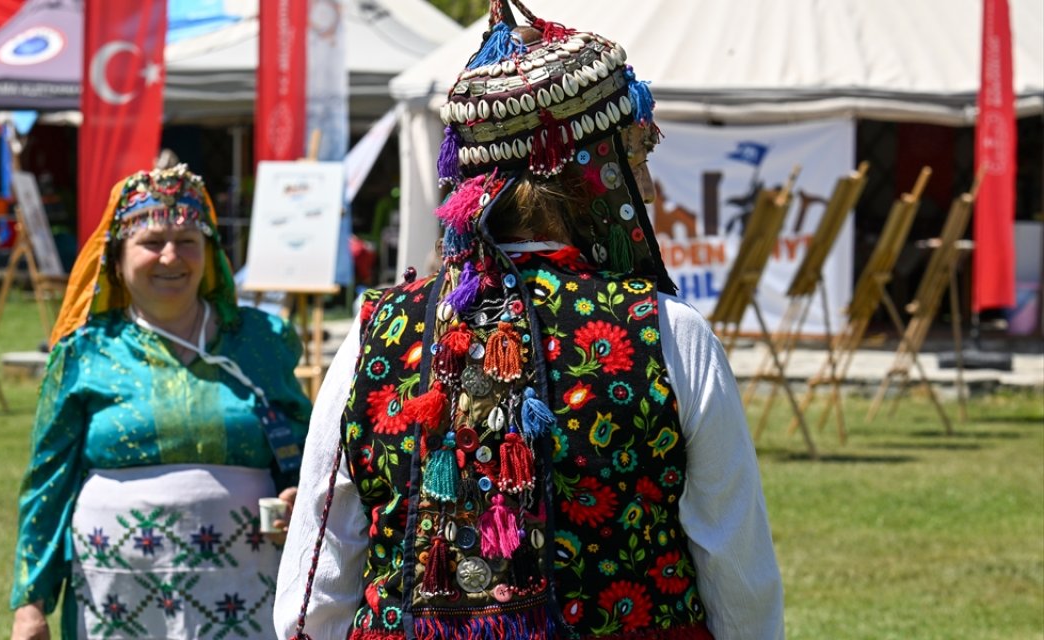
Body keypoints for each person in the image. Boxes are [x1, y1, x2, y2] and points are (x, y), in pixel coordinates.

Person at [274, 3, 784, 640]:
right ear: (588, 169)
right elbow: (737, 574)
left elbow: (316, 580)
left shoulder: (376, 332)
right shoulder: (667, 334)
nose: (647, 187)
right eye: (634, 154)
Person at [9, 165, 313, 640]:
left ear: (210, 255)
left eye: (188, 241)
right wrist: (31, 604)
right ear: (116, 260)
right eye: (151, 242)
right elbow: (48, 485)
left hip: (247, 590)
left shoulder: (259, 342)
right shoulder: (85, 354)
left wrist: (299, 495)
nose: (171, 257)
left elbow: (306, 455)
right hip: (115, 598)